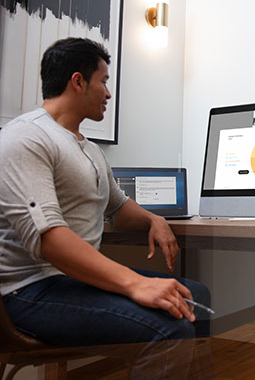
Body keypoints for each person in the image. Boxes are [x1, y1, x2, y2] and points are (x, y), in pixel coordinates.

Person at [0, 38, 211, 375]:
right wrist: (133, 283)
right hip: (29, 291)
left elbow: (118, 206)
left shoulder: (89, 149)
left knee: (194, 297)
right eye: (104, 81)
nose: (108, 93)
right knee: (169, 329)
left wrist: (152, 219)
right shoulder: (25, 138)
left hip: (74, 281)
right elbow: (49, 238)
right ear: (78, 81)